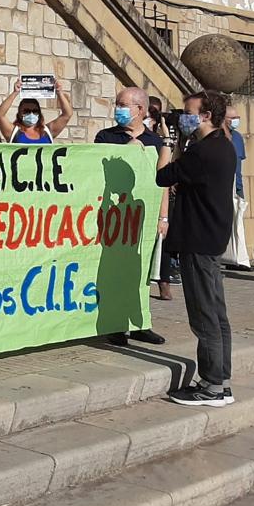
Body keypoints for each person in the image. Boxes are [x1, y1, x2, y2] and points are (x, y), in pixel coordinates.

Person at [155, 91, 237, 407]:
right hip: (211, 239)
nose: (182, 117)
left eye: (188, 112)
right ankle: (220, 381)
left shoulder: (202, 153)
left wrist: (166, 142)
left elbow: (163, 176)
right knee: (217, 314)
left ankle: (212, 387)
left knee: (204, 317)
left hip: (198, 241)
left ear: (204, 115)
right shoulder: (222, 145)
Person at [93, 86, 170, 346]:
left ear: (140, 110)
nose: (118, 109)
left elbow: (163, 183)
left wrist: (163, 218)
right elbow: (96, 171)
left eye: (123, 104)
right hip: (114, 217)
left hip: (144, 217)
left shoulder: (155, 142)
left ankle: (139, 324)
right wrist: (128, 149)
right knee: (114, 271)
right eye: (117, 104)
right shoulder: (105, 136)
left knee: (140, 272)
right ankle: (115, 325)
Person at [0, 81, 73, 144]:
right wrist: (15, 92)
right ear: (19, 114)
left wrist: (59, 92)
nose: (31, 114)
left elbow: (67, 114)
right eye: (27, 111)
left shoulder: (48, 131)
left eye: (35, 111)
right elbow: (0, 115)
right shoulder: (13, 132)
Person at [223, 106, 253, 271]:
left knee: (237, 223)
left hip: (237, 186)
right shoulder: (218, 138)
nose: (235, 121)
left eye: (237, 117)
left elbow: (238, 163)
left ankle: (239, 258)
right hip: (222, 186)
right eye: (231, 118)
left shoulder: (237, 138)